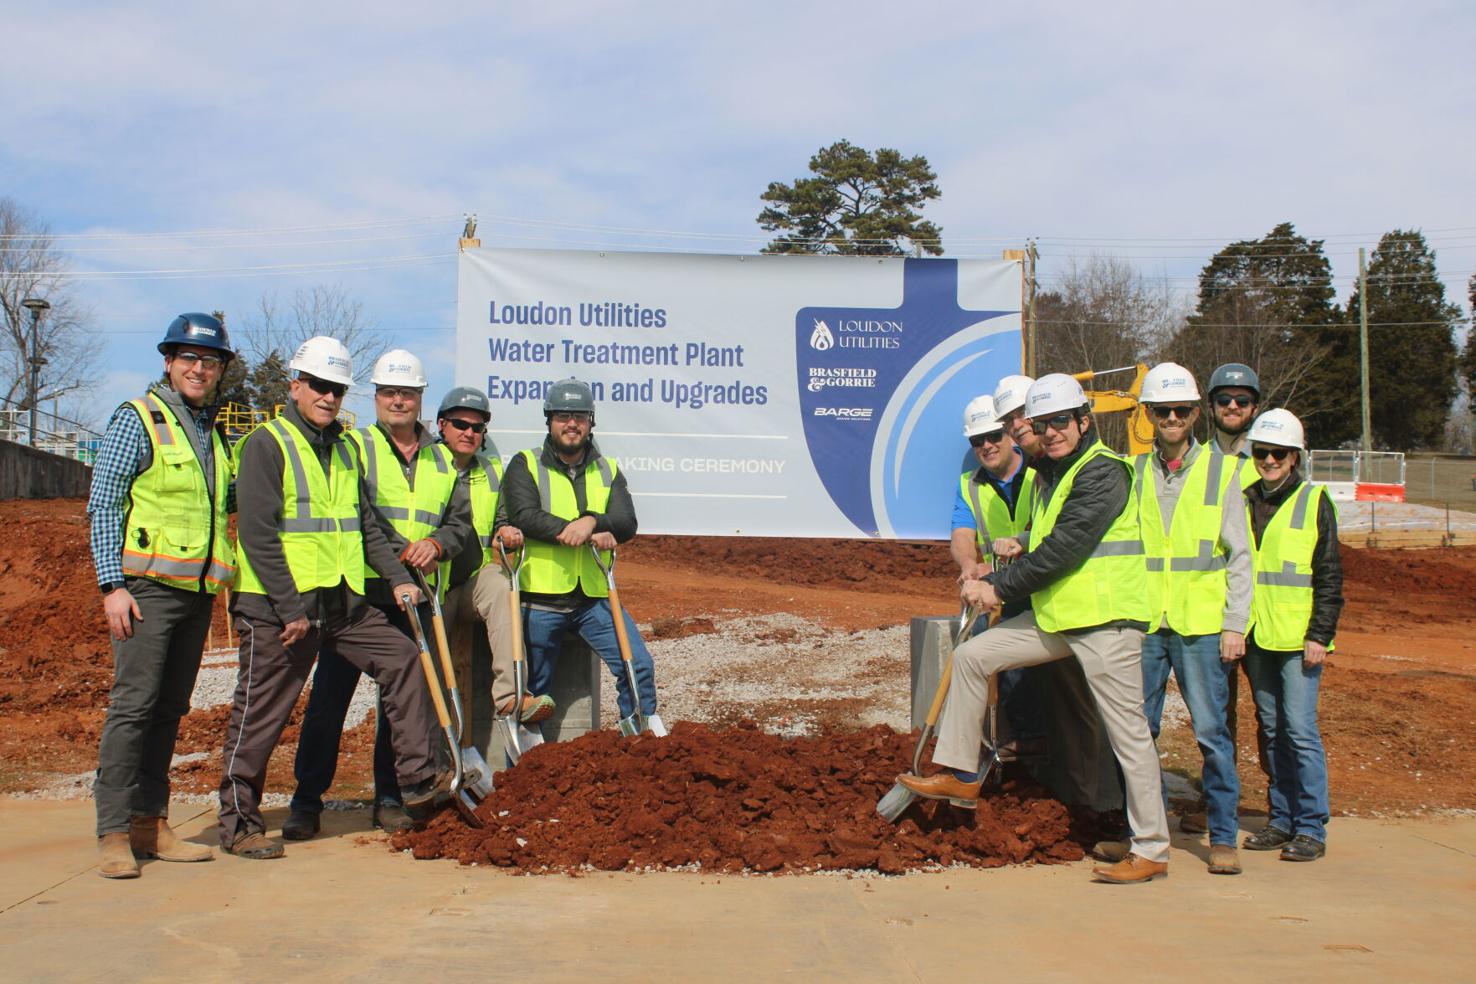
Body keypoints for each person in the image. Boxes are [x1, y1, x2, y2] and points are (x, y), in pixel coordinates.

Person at [898, 373, 1170, 884]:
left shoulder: (1102, 471)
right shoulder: (1058, 475)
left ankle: (1151, 847)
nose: (1051, 432)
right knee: (974, 656)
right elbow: (1050, 537)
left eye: (1060, 421)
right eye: (1042, 424)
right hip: (1061, 617)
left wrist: (998, 587)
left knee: (1128, 734)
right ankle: (960, 773)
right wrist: (1022, 539)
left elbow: (1067, 547)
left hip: (1107, 622)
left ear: (1084, 421)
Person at [218, 337, 445, 859]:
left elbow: (366, 526)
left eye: (337, 389)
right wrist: (291, 610)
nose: (328, 397)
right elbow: (257, 534)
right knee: (259, 716)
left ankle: (415, 784)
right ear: (295, 384)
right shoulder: (266, 444)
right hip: (279, 610)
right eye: (319, 386)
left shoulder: (343, 447)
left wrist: (397, 580)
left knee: (404, 659)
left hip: (342, 604)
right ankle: (239, 824)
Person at [284, 350, 472, 840]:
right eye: (389, 392)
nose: (398, 401)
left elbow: (461, 524)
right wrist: (401, 555)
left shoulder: (442, 458)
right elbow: (360, 514)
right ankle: (307, 800)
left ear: (420, 398)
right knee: (331, 699)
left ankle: (391, 796)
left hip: (418, 596)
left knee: (405, 705)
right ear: (376, 396)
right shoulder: (355, 447)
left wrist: (436, 545)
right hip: (358, 595)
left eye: (407, 393)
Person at [88, 313, 237, 879]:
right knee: (133, 707)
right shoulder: (139, 419)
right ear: (169, 362)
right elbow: (105, 504)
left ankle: (152, 823)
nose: (200, 369)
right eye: (190, 359)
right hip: (145, 590)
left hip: (195, 594)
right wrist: (112, 586)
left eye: (211, 362)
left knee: (170, 709)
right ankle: (113, 832)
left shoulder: (211, 431)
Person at [1130, 363, 1252, 876]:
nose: (1173, 418)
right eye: (1163, 411)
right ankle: (1140, 834)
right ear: (1150, 416)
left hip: (1201, 627)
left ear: (1196, 414)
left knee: (1211, 733)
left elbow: (1241, 556)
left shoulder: (1223, 472)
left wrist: (1234, 624)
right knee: (1139, 732)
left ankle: (1222, 837)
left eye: (1181, 410)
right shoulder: (1133, 472)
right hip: (1147, 623)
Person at [502, 378, 659, 730]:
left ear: (591, 422)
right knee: (534, 692)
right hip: (540, 600)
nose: (571, 423)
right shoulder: (525, 464)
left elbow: (626, 522)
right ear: (549, 420)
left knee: (638, 666)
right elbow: (523, 515)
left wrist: (592, 521)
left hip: (593, 599)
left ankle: (639, 741)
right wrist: (570, 531)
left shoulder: (607, 469)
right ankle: (526, 769)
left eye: (580, 416)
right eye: (562, 415)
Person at [1240, 409, 1342, 862]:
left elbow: (1329, 574)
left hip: (1300, 639)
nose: (1269, 460)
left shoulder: (1314, 500)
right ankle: (1280, 820)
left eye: (1278, 453)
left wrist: (1320, 633)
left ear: (1295, 456)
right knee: (1273, 730)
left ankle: (1311, 826)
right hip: (1258, 636)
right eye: (1262, 453)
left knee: (1300, 732)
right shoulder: (1244, 499)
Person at [434, 385, 554, 731]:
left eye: (477, 427)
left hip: (473, 578)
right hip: (431, 581)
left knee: (503, 588)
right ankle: (431, 722)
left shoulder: (489, 470)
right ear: (442, 424)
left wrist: (504, 533)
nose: (469, 432)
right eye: (460, 424)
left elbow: (501, 520)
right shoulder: (424, 463)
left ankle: (513, 697)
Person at [948, 393, 1042, 754]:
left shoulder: (1040, 473)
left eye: (992, 437)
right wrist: (968, 566)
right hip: (998, 590)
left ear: (1008, 434)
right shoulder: (969, 485)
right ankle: (992, 742)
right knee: (984, 656)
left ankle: (1031, 741)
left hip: (1041, 583)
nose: (986, 446)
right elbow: (961, 535)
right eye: (977, 441)